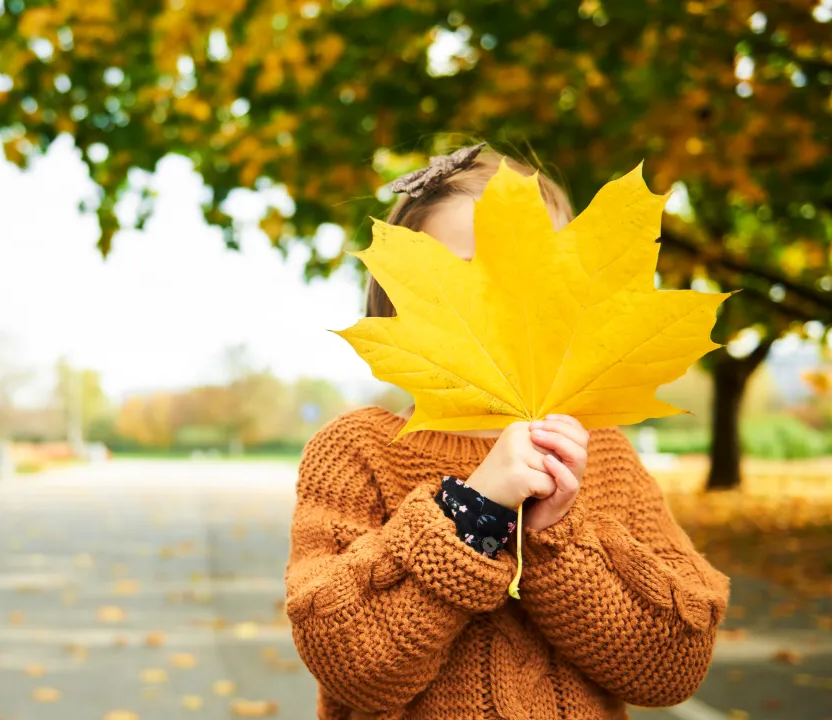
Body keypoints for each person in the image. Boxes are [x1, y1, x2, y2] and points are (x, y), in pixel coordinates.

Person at [285, 143, 730, 720]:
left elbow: (675, 663)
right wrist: (473, 514)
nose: (499, 307)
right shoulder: (359, 451)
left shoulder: (605, 456)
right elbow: (349, 662)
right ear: (397, 304)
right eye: (464, 281)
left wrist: (558, 539)